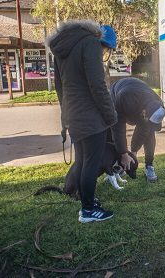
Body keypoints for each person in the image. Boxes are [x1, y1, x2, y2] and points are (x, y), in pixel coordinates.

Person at [48, 20, 118, 223]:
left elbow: (59, 88)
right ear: (102, 41)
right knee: (91, 162)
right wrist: (111, 116)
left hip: (74, 116)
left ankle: (87, 201)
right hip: (90, 117)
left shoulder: (63, 48)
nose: (104, 52)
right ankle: (87, 211)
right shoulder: (91, 44)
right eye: (106, 49)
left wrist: (65, 118)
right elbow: (97, 86)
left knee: (82, 161)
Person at [110, 77, 165, 183]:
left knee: (149, 132)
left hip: (138, 100)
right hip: (118, 93)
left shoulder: (157, 104)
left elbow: (144, 130)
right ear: (144, 113)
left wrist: (134, 151)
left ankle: (149, 166)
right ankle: (119, 165)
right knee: (112, 134)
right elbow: (118, 129)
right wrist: (124, 153)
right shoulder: (124, 98)